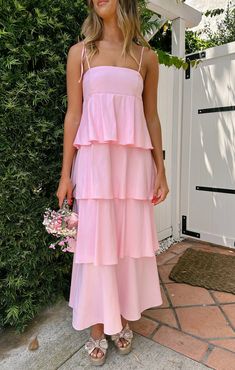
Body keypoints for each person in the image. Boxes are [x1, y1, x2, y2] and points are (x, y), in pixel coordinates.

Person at [56, 0, 169, 366]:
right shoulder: (80, 53)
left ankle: (120, 317)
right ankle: (96, 325)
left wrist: (160, 169)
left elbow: (151, 117)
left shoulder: (145, 58)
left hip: (132, 163)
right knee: (97, 241)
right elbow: (74, 115)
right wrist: (65, 174)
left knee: (125, 240)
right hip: (94, 163)